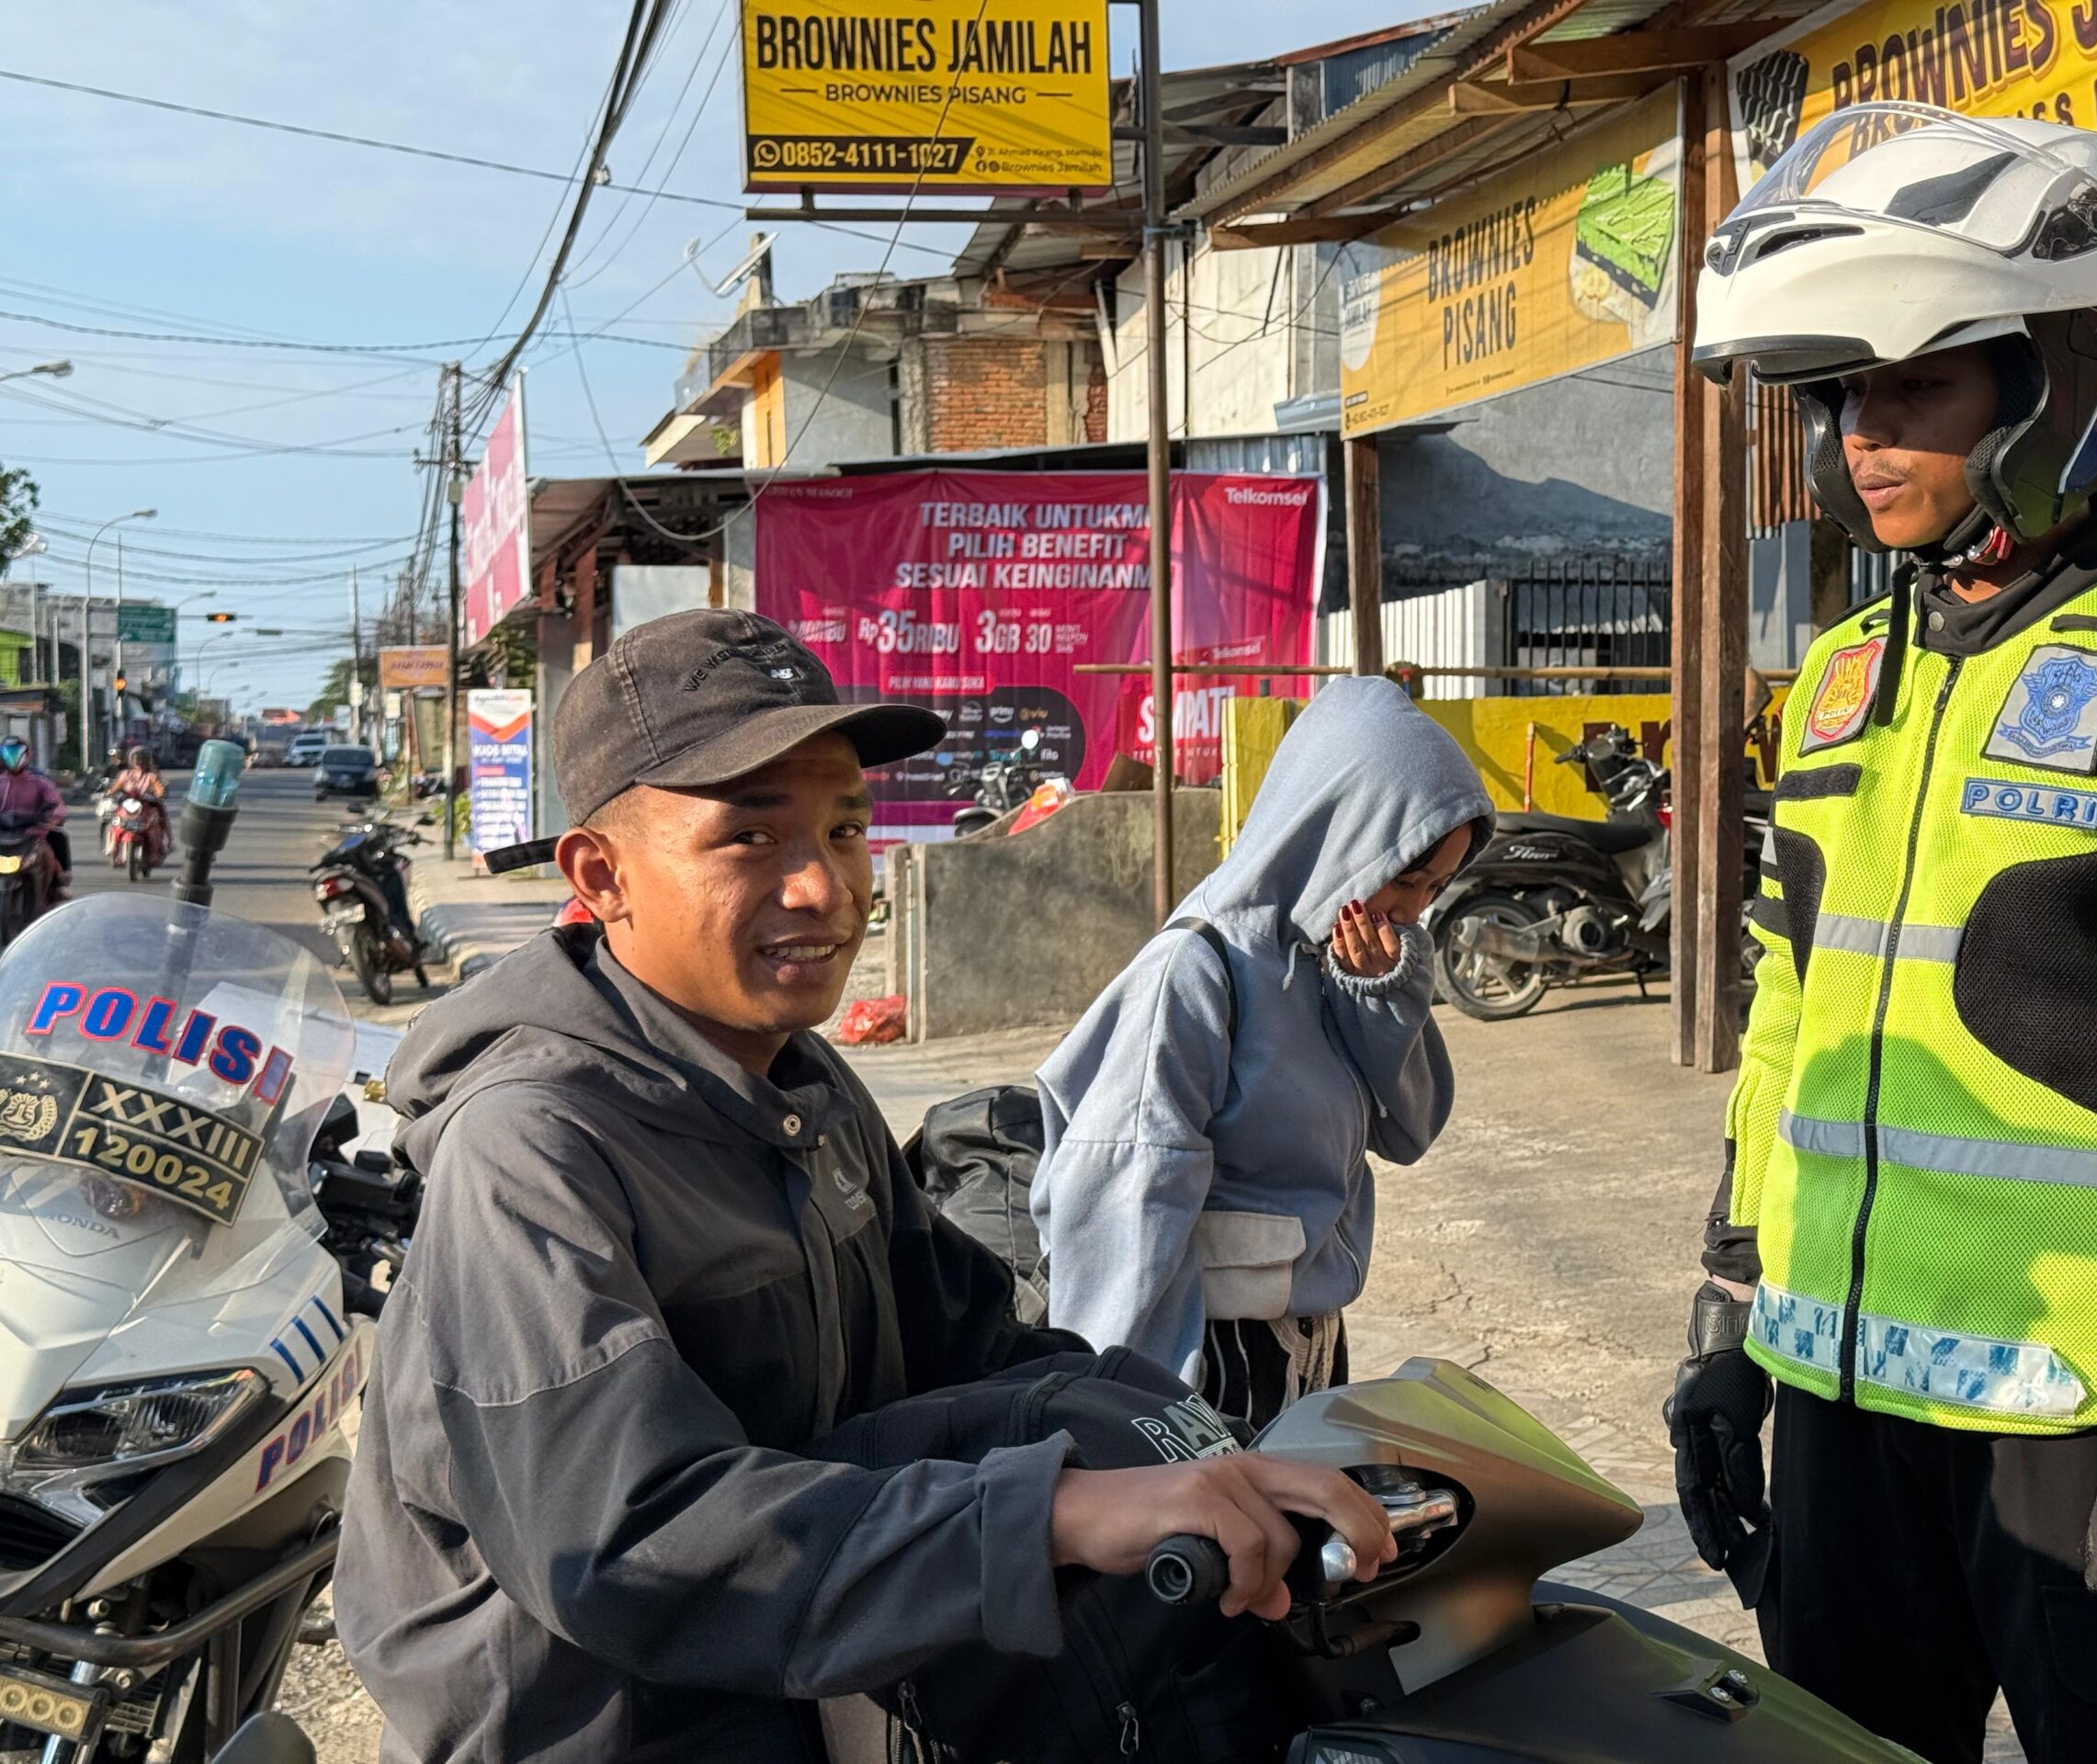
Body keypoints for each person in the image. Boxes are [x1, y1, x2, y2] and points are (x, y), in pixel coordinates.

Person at [334, 609, 1392, 1764]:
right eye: (750, 838)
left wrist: (1197, 1446)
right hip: (613, 1729)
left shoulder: (797, 1081)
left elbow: (973, 1344)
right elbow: (627, 1539)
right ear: (604, 877)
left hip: (819, 1688)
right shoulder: (532, 1147)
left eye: (845, 829)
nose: (823, 887)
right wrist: (1046, 1515)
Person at [1668, 107, 2097, 1764]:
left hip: (2073, 1412)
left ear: (2063, 375)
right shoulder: (1841, 678)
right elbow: (1792, 1017)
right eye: (1843, 396)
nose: (1865, 437)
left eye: (1917, 386)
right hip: (1838, 1403)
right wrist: (1730, 1311)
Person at [1033, 677, 1492, 1430]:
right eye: (1404, 879)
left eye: (1435, 888)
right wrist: (1132, 1419)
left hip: (1307, 1341)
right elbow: (1126, 1202)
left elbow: (1407, 1131)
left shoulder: (1335, 955)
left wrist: (1383, 997)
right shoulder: (1195, 971)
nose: (1412, 911)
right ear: (1337, 834)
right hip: (1208, 1360)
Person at [0, 738, 69, 906]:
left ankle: (58, 884)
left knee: (58, 838)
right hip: (2, 836)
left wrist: (54, 817)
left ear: (27, 754)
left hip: (32, 836)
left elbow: (57, 804)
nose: (13, 759)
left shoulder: (40, 783)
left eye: (17, 753)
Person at [106, 745, 169, 865]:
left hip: (146, 806)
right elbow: (115, 788)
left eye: (142, 759)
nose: (139, 762)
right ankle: (114, 850)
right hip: (127, 805)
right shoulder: (125, 774)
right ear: (131, 761)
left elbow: (159, 789)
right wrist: (110, 793)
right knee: (115, 822)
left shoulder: (152, 776)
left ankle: (163, 845)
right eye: (136, 759)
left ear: (147, 760)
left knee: (159, 818)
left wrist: (158, 794)